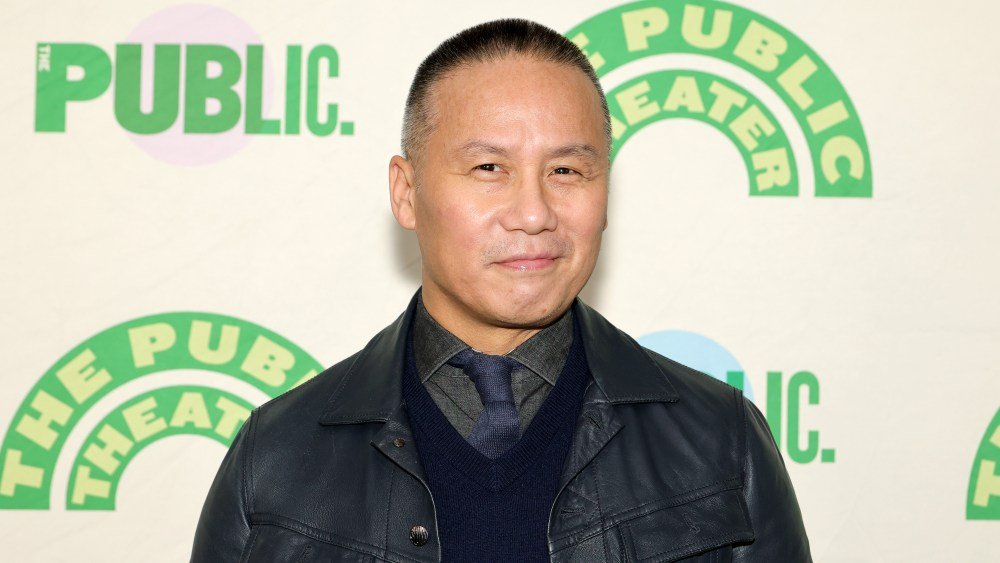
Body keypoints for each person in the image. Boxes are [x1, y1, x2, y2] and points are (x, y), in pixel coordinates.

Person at [191, 18, 811, 562]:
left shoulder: (720, 442)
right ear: (406, 193)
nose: (534, 213)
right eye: (490, 168)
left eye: (566, 170)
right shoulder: (275, 459)